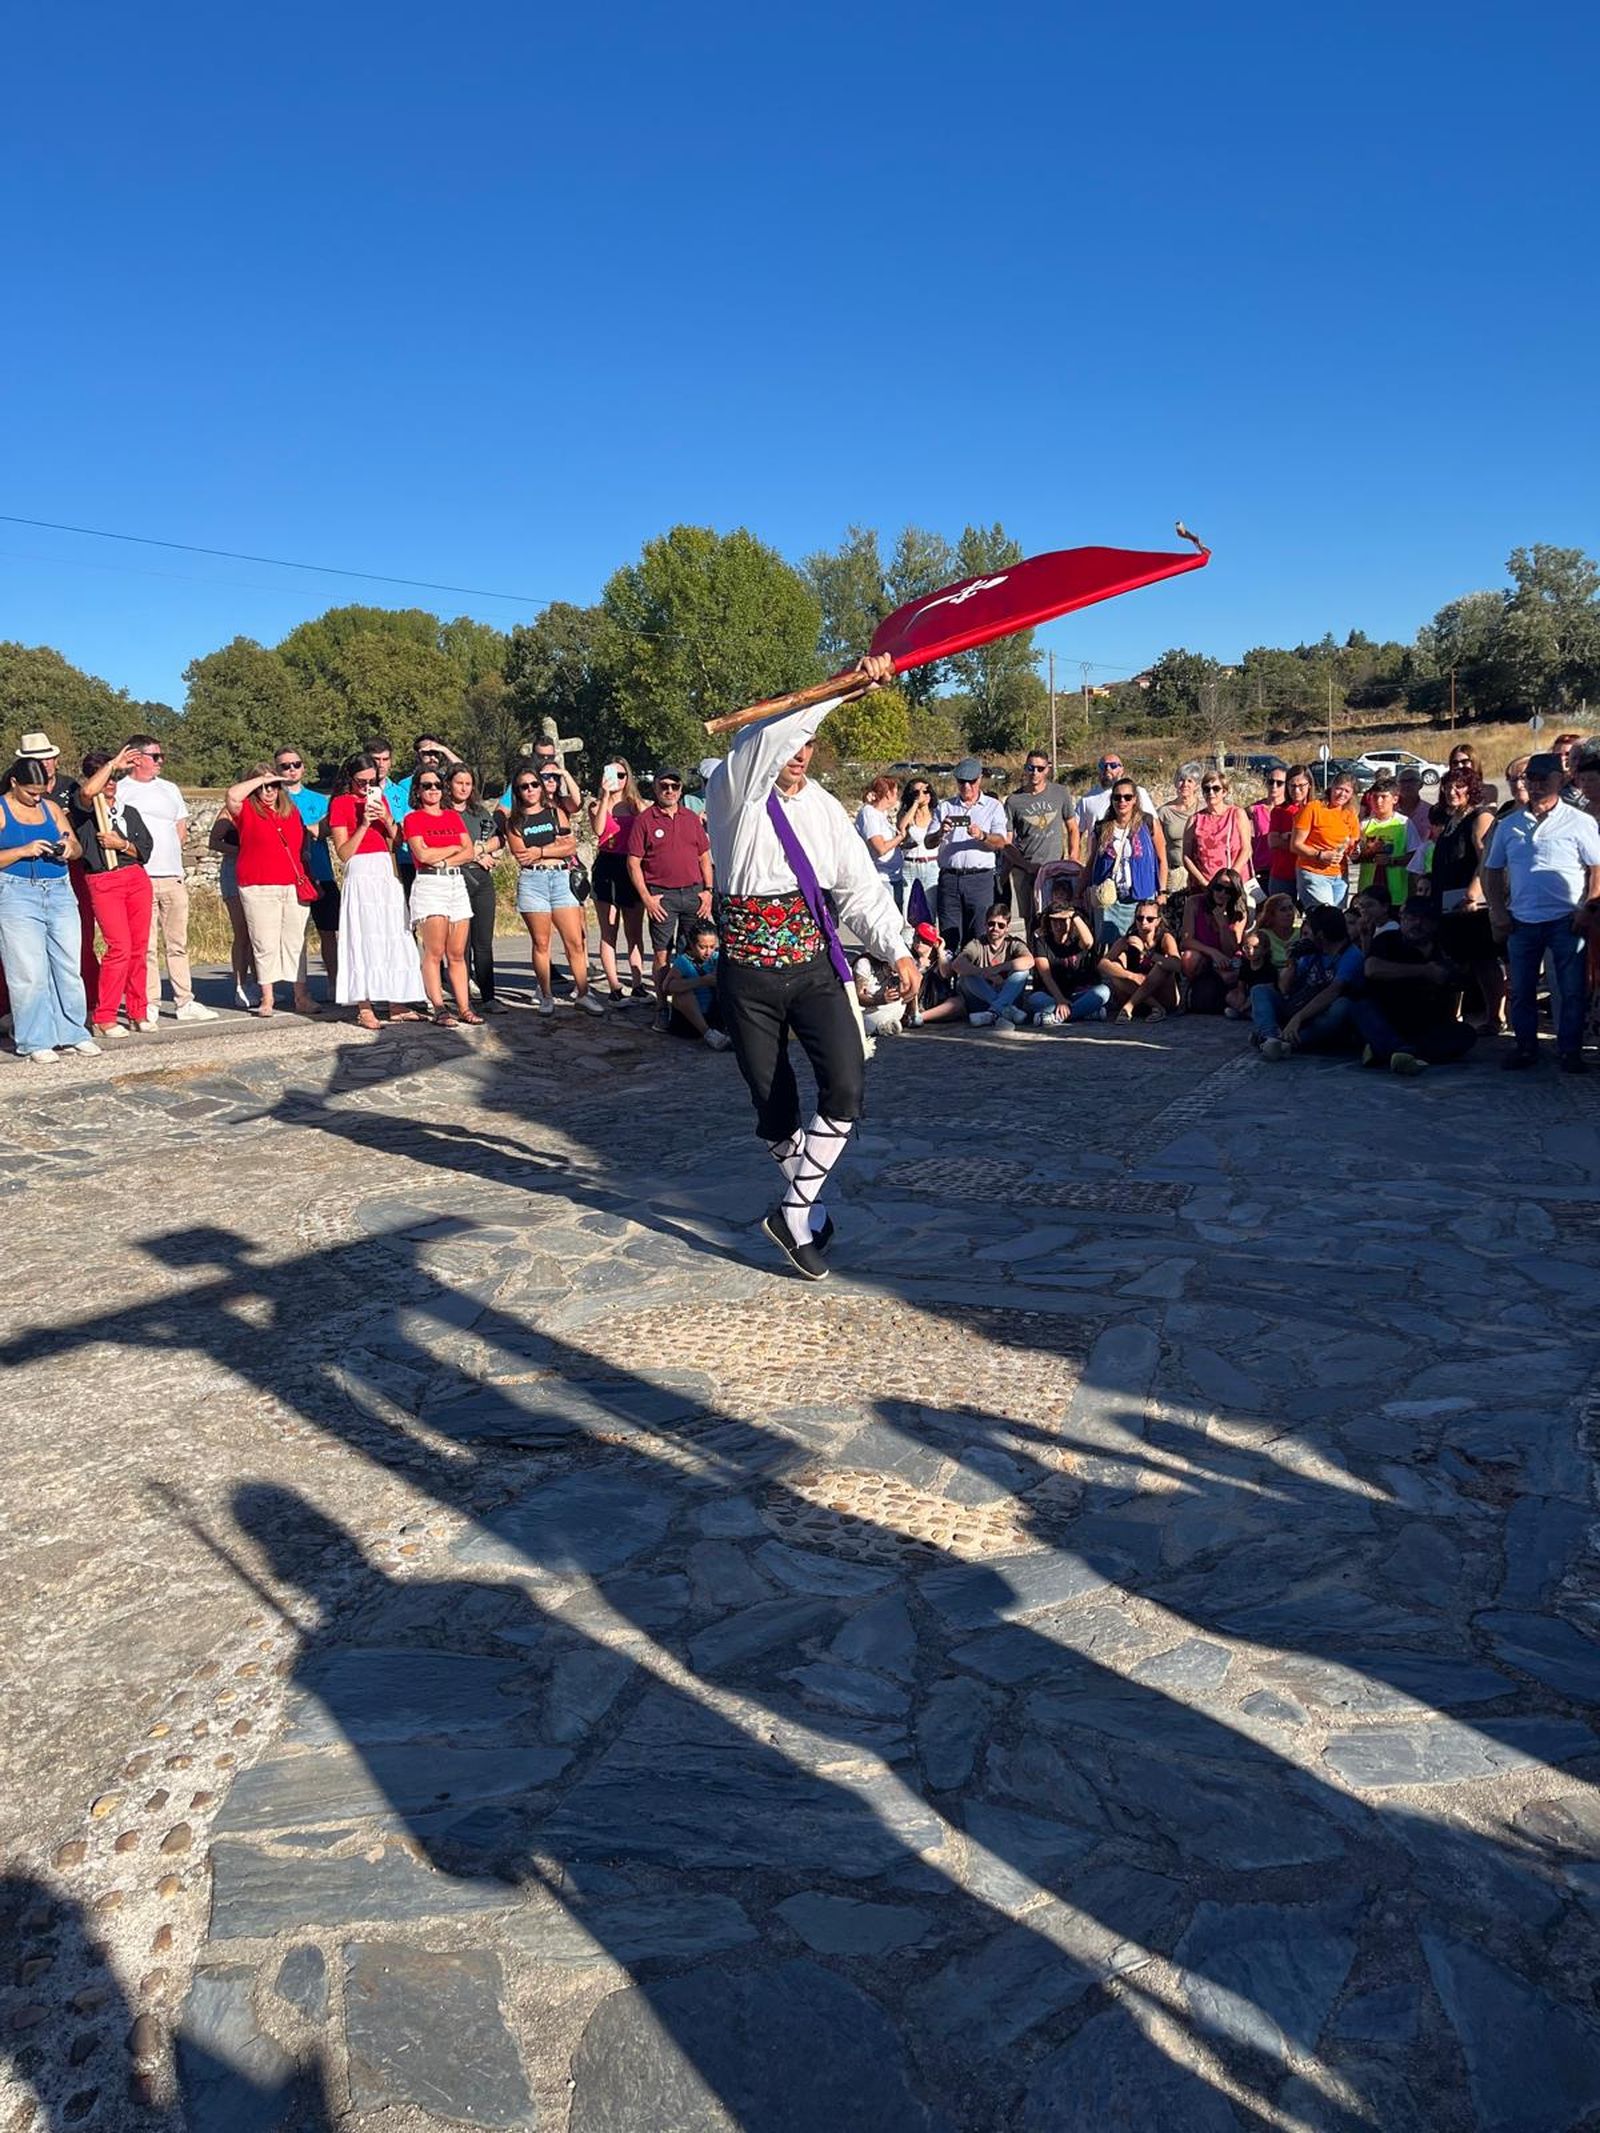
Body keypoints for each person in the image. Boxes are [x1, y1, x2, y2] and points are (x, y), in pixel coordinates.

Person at [703, 653, 915, 1281]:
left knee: (846, 1086)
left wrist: (897, 946)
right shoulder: (734, 790)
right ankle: (806, 1209)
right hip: (747, 975)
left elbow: (859, 888)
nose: (799, 753)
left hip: (814, 965)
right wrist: (847, 686)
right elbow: (767, 740)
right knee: (774, 1107)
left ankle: (794, 1212)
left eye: (809, 744)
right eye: (793, 741)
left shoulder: (823, 808)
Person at [1483, 751, 1600, 1072]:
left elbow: (1596, 868)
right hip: (1522, 920)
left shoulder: (1580, 822)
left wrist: (1588, 908)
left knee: (1571, 990)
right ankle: (1525, 1048)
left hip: (1566, 919)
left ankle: (1570, 1051)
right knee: (1521, 990)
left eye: (1542, 780)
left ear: (1560, 780)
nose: (1535, 786)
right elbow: (1493, 870)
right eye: (1530, 780)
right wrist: (1498, 911)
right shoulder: (1509, 825)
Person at [0, 758, 98, 1061]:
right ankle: (35, 1039)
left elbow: (77, 847)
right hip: (16, 892)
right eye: (31, 792)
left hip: (59, 890)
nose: (36, 798)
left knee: (68, 965)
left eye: (41, 792)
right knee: (28, 970)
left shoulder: (51, 809)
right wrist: (22, 851)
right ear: (14, 783)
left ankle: (73, 1032)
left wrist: (69, 848)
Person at [327, 753, 425, 1031]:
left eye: (372, 781)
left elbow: (397, 840)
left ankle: (397, 1002)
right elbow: (343, 852)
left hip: (384, 870)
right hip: (360, 871)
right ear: (350, 778)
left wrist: (387, 817)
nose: (367, 787)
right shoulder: (340, 803)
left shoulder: (379, 798)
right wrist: (364, 824)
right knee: (363, 937)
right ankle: (365, 1006)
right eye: (362, 781)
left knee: (393, 934)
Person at [123, 732, 216, 1023]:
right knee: (146, 945)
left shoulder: (169, 789)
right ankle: (150, 1001)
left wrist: (173, 857)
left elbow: (180, 826)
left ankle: (184, 1000)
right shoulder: (122, 790)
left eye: (161, 756)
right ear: (136, 758)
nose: (160, 761)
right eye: (155, 756)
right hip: (142, 875)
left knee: (178, 942)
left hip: (172, 874)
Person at [69, 748, 154, 1038]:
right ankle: (104, 1015)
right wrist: (113, 764)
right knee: (119, 948)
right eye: (105, 777)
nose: (110, 783)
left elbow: (144, 850)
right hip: (103, 880)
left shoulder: (129, 812)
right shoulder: (84, 811)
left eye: (114, 778)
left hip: (135, 878)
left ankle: (138, 1010)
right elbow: (87, 792)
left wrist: (123, 845)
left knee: (139, 948)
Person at [507, 765, 605, 1017]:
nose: (530, 790)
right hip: (533, 881)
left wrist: (540, 851)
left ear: (541, 787)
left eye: (534, 784)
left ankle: (583, 993)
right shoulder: (515, 822)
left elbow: (569, 846)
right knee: (541, 943)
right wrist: (553, 846)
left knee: (574, 941)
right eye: (524, 787)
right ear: (517, 792)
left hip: (561, 878)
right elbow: (522, 855)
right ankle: (546, 994)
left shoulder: (555, 813)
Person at [16, 728, 97, 1017]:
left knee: (79, 935)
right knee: (23, 947)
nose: (44, 763)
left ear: (56, 759)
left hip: (69, 866)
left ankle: (87, 1003)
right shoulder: (11, 788)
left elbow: (85, 812)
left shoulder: (69, 786)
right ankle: (17, 1010)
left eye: (48, 757)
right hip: (23, 870)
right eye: (37, 759)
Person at [625, 768, 714, 1021]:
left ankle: (695, 1006)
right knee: (662, 953)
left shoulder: (690, 818)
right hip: (662, 897)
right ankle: (662, 1006)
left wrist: (708, 891)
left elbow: (703, 857)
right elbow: (633, 862)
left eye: (675, 786)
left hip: (694, 894)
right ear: (655, 788)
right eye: (664, 786)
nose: (669, 791)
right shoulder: (645, 820)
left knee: (695, 952)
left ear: (681, 789)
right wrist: (646, 898)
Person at [225, 767, 314, 1019]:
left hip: (292, 882)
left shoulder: (291, 811)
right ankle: (267, 996)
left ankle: (300, 995)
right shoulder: (246, 810)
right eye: (262, 787)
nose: (268, 791)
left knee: (295, 941)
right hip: (257, 884)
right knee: (264, 942)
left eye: (273, 786)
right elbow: (232, 796)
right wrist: (261, 779)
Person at [1350, 898, 1477, 1075]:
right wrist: (1424, 971)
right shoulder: (1388, 939)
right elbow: (1372, 969)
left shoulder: (1445, 946)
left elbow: (1458, 979)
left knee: (1466, 1035)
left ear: (1434, 923)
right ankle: (1399, 1050)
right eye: (1412, 918)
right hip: (1389, 1014)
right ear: (1402, 918)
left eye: (1424, 919)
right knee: (1359, 1006)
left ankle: (1387, 1050)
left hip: (1426, 1020)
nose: (1417, 924)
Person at [1257, 895, 1385, 1059]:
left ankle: (1286, 1042)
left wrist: (1298, 1018)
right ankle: (1269, 1037)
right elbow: (1284, 989)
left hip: (1325, 1015)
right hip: (1302, 1005)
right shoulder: (1312, 951)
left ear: (1321, 935)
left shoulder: (1351, 956)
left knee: (1342, 1006)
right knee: (1260, 990)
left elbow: (1332, 991)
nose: (1306, 936)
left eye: (1310, 931)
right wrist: (1292, 963)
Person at [403, 768, 481, 1027]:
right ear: (418, 790)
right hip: (430, 884)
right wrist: (453, 848)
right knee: (434, 951)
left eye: (437, 784)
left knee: (457, 952)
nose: (433, 789)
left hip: (455, 881)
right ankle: (438, 1007)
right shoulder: (413, 819)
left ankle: (464, 1007)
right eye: (427, 785)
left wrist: (444, 857)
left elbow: (469, 851)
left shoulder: (451, 816)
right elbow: (423, 855)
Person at [1430, 766, 1503, 1033]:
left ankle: (1495, 1017)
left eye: (1458, 787)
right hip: (1447, 900)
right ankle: (1455, 1016)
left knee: (1484, 960)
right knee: (1458, 959)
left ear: (1470, 789)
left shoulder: (1480, 817)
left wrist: (1473, 892)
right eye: (1448, 787)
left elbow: (1486, 859)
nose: (1452, 792)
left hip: (1472, 904)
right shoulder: (1451, 819)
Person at [275, 745, 336, 1010]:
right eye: (285, 766)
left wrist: (310, 830)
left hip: (321, 872)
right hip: (289, 876)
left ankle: (334, 982)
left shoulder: (320, 800)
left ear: (303, 767)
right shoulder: (275, 798)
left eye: (296, 764)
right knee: (292, 935)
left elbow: (329, 828)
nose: (291, 770)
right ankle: (298, 989)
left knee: (329, 931)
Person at [589, 757, 648, 1005]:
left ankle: (638, 983)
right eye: (613, 775)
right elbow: (599, 830)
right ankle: (614, 986)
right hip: (607, 865)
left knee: (634, 931)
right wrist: (605, 795)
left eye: (622, 775)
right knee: (608, 930)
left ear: (628, 777)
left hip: (631, 865)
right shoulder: (597, 805)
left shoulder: (637, 805)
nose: (618, 780)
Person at [933, 758, 1009, 951]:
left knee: (978, 935)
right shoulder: (945, 807)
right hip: (950, 878)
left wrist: (982, 836)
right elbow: (928, 842)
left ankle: (975, 970)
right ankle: (950, 969)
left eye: (971, 781)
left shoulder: (993, 806)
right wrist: (940, 832)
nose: (966, 786)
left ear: (980, 779)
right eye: (961, 782)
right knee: (949, 937)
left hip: (980, 879)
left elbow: (1001, 842)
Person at [448, 764, 504, 1011]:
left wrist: (481, 850)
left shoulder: (479, 811)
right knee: (460, 944)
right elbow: (445, 848)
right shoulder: (443, 813)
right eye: (459, 783)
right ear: (449, 784)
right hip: (456, 878)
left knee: (483, 942)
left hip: (482, 880)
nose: (463, 788)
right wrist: (474, 855)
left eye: (468, 784)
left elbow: (498, 839)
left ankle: (489, 997)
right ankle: (464, 1001)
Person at [1085, 779, 1162, 947]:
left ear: (1135, 799)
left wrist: (1162, 892)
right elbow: (1091, 862)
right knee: (1109, 945)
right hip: (1109, 898)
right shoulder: (1101, 827)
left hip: (1141, 895)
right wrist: (1080, 891)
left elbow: (1161, 859)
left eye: (1127, 797)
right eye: (1117, 797)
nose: (1122, 801)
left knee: (1140, 943)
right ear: (1112, 799)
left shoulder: (1148, 822)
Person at [1001, 752, 1073, 916]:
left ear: (1047, 769)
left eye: (1040, 768)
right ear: (1025, 768)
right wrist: (1025, 866)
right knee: (1031, 920)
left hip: (1055, 868)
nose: (1035, 772)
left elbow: (1072, 828)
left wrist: (1073, 857)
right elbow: (1007, 842)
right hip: (1026, 870)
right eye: (1031, 768)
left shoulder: (1060, 793)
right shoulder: (1013, 801)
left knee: (1057, 915)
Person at [1027, 893, 1111, 1023]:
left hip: (1076, 994)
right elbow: (1046, 976)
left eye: (1062, 920)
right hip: (1051, 995)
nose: (1058, 925)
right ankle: (1083, 1013)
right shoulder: (1042, 942)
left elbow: (1089, 942)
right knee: (1035, 1000)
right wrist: (1060, 1000)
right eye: (1054, 920)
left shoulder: (1076, 940)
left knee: (1104, 992)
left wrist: (1074, 915)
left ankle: (1056, 1017)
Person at [952, 903, 1035, 1030]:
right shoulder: (977, 944)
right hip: (981, 1002)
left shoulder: (1014, 943)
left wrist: (999, 968)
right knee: (966, 976)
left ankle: (993, 1013)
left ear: (1007, 928)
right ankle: (1004, 1009)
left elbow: (1029, 961)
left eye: (1001, 925)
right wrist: (984, 973)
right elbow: (957, 964)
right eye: (991, 924)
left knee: (1022, 973)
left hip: (1008, 996)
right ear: (985, 924)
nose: (995, 928)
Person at [1098, 900, 1182, 1019]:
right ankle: (1155, 1006)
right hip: (1138, 997)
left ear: (1158, 921)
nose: (1143, 922)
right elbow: (1102, 964)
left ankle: (1129, 1007)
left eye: (1150, 919)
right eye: (1139, 918)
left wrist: (1147, 953)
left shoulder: (1165, 938)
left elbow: (1177, 965)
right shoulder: (1128, 940)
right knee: (1116, 968)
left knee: (1162, 966)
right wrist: (1131, 976)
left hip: (1163, 997)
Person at [1181, 868, 1249, 1014]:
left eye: (1228, 891)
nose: (1222, 893)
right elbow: (1186, 941)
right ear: (1212, 886)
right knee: (1189, 957)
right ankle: (1187, 988)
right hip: (1204, 958)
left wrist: (1222, 924)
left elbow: (1232, 950)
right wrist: (1212, 952)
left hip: (1227, 961)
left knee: (1229, 978)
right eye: (1219, 888)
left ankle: (1239, 1005)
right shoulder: (1194, 902)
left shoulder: (1239, 911)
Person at [207, 806, 256, 1008]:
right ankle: (240, 986)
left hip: (256, 869)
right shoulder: (229, 812)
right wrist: (242, 850)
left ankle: (259, 983)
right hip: (234, 870)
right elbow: (214, 842)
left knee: (257, 931)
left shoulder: (262, 808)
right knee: (242, 931)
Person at [1292, 769, 1360, 909]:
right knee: (1324, 916)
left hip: (1340, 876)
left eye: (1347, 791)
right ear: (1331, 787)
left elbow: (1352, 844)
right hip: (1313, 873)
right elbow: (1295, 845)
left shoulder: (1350, 813)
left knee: (1337, 918)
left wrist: (1355, 852)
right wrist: (1320, 855)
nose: (1342, 794)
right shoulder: (1313, 808)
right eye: (1339, 789)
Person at [662, 917, 732, 1048]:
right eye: (702, 947)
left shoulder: (717, 959)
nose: (708, 952)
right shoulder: (683, 962)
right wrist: (701, 981)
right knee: (682, 994)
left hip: (714, 1015)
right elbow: (667, 987)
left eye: (712, 947)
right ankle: (708, 1034)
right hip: (689, 1021)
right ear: (692, 944)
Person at [1182, 770, 1253, 893]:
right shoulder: (1194, 820)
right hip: (1204, 886)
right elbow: (1186, 856)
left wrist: (1230, 878)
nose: (1211, 793)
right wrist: (1204, 883)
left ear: (1224, 792)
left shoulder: (1237, 814)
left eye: (1216, 789)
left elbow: (1246, 849)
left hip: (1233, 883)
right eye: (1206, 789)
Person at [1354, 777, 1417, 907]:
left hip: (1396, 894)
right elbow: (1354, 854)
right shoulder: (1364, 825)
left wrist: (1392, 861)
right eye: (1375, 797)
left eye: (1383, 797)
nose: (1378, 801)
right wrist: (1358, 854)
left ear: (1395, 799)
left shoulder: (1404, 823)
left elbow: (1415, 856)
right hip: (1368, 893)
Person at [1073, 752, 1156, 846]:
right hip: (1101, 853)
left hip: (1137, 852)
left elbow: (1155, 827)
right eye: (1103, 766)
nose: (1108, 769)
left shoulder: (1138, 792)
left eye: (1113, 765)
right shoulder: (1087, 800)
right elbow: (1075, 831)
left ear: (1122, 770)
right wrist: (1075, 853)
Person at [855, 775, 906, 910]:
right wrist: (900, 837)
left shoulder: (881, 814)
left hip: (893, 877)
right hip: (881, 880)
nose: (897, 796)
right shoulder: (869, 813)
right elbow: (880, 848)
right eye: (895, 792)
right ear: (888, 794)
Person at [896, 777, 942, 924]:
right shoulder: (907, 814)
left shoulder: (936, 814)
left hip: (931, 865)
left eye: (926, 791)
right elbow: (901, 827)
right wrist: (915, 803)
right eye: (917, 792)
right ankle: (908, 937)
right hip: (909, 865)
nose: (922, 795)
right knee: (906, 913)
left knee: (931, 910)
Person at [904, 921, 968, 1028]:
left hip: (937, 1001)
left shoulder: (943, 956)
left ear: (933, 943)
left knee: (958, 1003)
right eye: (917, 938)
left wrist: (940, 950)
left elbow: (946, 974)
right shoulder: (908, 957)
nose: (919, 942)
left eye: (924, 940)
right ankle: (913, 1015)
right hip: (914, 1001)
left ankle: (919, 1017)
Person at [1267, 765, 1312, 904]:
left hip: (1311, 873)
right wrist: (1299, 843)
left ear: (1309, 785)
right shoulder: (1280, 811)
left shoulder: (1317, 809)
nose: (1296, 790)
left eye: (1301, 786)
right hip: (1283, 873)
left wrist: (1290, 839)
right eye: (1292, 786)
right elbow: (1273, 841)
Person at [1156, 766, 1200, 896]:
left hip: (1199, 872)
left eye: (1190, 781)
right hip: (1174, 873)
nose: (1185, 784)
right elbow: (1157, 846)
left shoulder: (1203, 809)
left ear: (1197, 785)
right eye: (1181, 780)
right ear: (1175, 783)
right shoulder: (1164, 812)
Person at [1247, 768, 1285, 891]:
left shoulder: (1291, 810)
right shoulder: (1254, 809)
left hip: (1284, 870)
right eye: (1271, 782)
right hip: (1261, 869)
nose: (1274, 786)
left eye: (1279, 783)